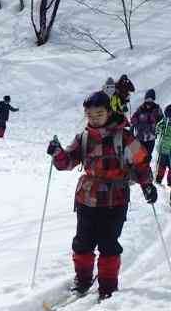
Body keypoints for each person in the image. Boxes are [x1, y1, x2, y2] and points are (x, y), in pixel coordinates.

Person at [47, 91, 157, 300]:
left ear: (109, 111)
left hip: (115, 199)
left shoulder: (124, 137)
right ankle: (83, 279)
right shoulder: (84, 137)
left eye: (98, 114)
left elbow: (141, 162)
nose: (94, 118)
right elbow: (66, 162)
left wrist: (147, 186)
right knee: (82, 242)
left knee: (108, 243)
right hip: (86, 198)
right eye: (89, 115)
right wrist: (57, 153)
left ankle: (107, 286)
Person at [130, 89, 161, 157]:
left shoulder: (157, 109)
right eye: (147, 99)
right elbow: (132, 119)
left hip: (150, 139)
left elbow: (162, 122)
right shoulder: (140, 109)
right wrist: (136, 122)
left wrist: (157, 127)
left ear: (153, 100)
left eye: (151, 99)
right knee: (132, 156)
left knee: (147, 157)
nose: (149, 101)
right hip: (139, 138)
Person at [155, 104, 171, 186]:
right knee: (164, 165)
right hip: (166, 149)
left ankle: (159, 179)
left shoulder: (164, 121)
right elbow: (158, 127)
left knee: (162, 165)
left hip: (163, 148)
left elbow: (157, 127)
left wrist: (157, 132)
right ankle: (168, 181)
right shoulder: (164, 121)